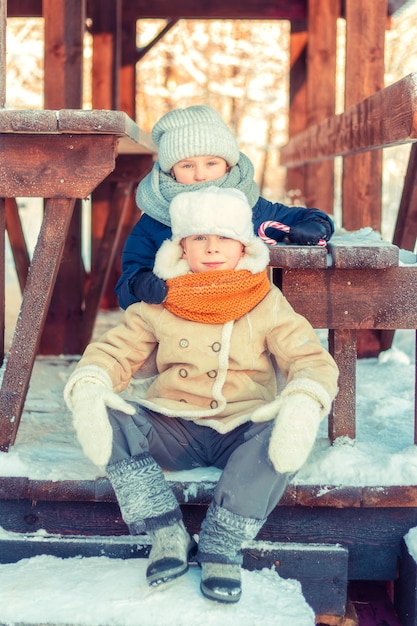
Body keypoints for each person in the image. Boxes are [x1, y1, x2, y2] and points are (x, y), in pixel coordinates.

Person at [64, 187, 339, 604]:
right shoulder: (161, 299)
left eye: (224, 238)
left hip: (241, 426)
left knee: (284, 432)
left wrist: (303, 398)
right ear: (182, 247)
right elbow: (116, 350)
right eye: (199, 239)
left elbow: (309, 358)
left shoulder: (265, 300)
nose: (212, 249)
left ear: (243, 245)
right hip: (174, 424)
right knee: (105, 410)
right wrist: (93, 380)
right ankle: (166, 531)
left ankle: (222, 542)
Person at [115, 104, 335, 309]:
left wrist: (316, 226)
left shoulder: (248, 209)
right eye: (187, 165)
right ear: (171, 170)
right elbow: (129, 279)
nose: (200, 175)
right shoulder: (155, 219)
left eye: (211, 163)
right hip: (179, 323)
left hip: (240, 317)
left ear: (228, 164)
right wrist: (138, 284)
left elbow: (300, 217)